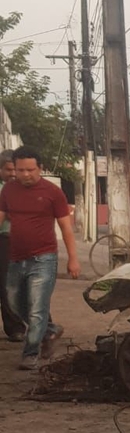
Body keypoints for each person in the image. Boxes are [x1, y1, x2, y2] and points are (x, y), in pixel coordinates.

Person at [0, 146, 80, 370]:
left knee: (37, 308)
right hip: (16, 258)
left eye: (30, 170)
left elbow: (65, 227)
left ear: (40, 168)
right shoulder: (8, 190)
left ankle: (30, 353)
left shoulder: (52, 192)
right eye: (21, 170)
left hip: (44, 259)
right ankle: (51, 330)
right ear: (14, 169)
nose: (25, 174)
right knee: (14, 304)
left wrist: (72, 259)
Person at [0, 151, 25, 341]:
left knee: (14, 285)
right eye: (8, 170)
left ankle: (16, 327)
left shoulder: (20, 188)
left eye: (14, 170)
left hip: (15, 238)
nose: (12, 174)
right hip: (4, 238)